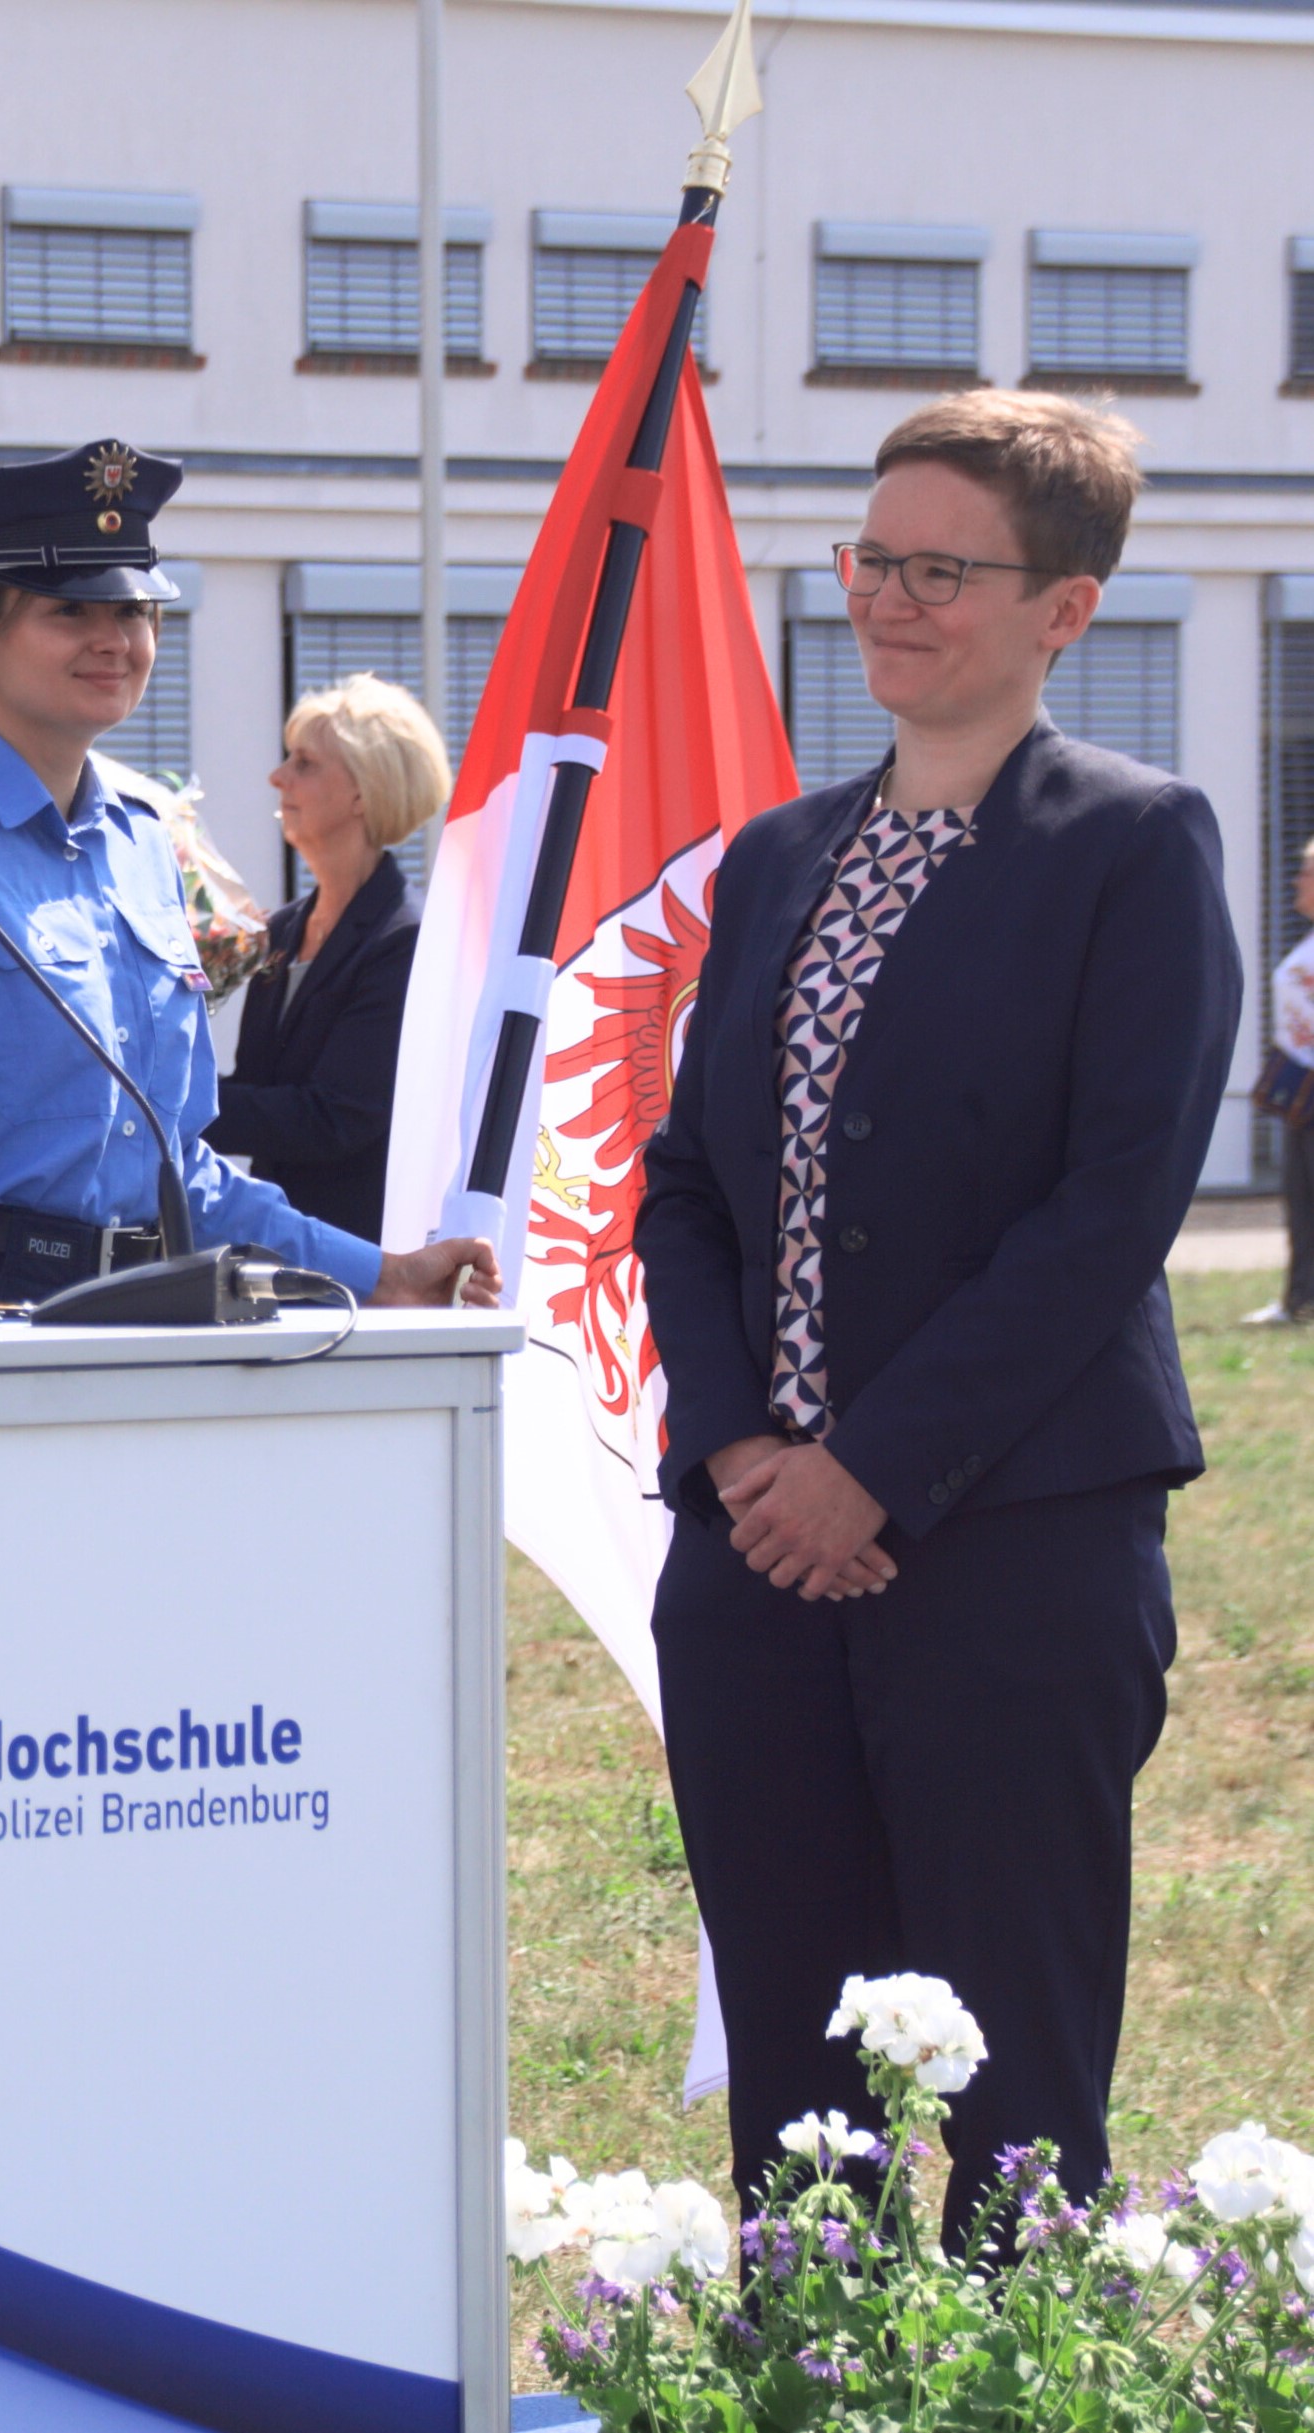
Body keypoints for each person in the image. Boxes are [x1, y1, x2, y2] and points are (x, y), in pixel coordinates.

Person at [635, 391, 1238, 2244]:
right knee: (790, 2097)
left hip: (1006, 1554)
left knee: (1011, 2085)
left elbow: (1102, 1215)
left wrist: (867, 1471)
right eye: (866, 559)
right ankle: (806, 2372)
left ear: (1061, 608)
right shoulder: (772, 859)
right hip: (749, 1567)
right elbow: (683, 1186)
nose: (885, 599)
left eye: (936, 570)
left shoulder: (1130, 846)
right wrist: (745, 1450)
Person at [0, 441, 498, 1313]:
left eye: (134, 611)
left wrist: (384, 1272)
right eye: (70, 610)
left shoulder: (142, 846)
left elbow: (184, 1167)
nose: (114, 640)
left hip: (158, 1304)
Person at [206, 674, 445, 1240]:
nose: (277, 776)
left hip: (365, 1258)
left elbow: (336, 1116)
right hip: (277, 1248)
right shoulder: (279, 930)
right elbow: (260, 1088)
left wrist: (170, 1104)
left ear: (365, 791)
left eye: (305, 763)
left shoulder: (406, 939)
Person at [1249, 836, 1314, 1326]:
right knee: (1302, 1197)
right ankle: (1302, 1300)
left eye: (1307, 872)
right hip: (1303, 1090)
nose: (1297, 881)